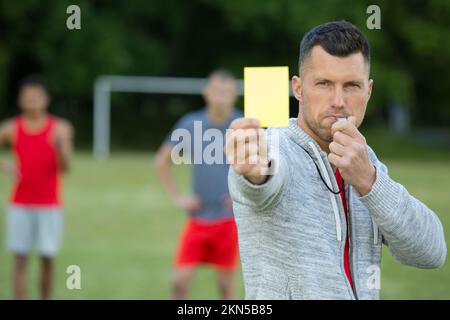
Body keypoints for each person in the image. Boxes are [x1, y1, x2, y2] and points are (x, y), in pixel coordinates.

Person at [226, 21, 446, 299]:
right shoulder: (274, 147)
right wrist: (256, 173)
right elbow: (261, 182)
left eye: (351, 86)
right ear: (298, 88)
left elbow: (431, 252)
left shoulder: (365, 161)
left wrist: (370, 182)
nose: (338, 100)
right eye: (324, 84)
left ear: (368, 91)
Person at [154, 70, 242, 300]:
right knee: (179, 283)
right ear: (206, 93)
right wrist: (178, 197)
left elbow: (264, 165)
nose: (221, 96)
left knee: (226, 287)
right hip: (198, 218)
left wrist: (242, 196)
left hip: (229, 219)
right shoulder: (191, 124)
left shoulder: (243, 125)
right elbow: (161, 162)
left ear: (234, 95)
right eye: (216, 91)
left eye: (227, 92)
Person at [0, 75, 74, 299]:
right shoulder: (12, 127)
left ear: (46, 99)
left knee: (47, 258)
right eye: (28, 98)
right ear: (21, 101)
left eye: (37, 97)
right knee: (20, 259)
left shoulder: (60, 128)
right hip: (20, 203)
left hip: (49, 205)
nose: (33, 102)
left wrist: (60, 147)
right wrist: (6, 166)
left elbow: (67, 167)